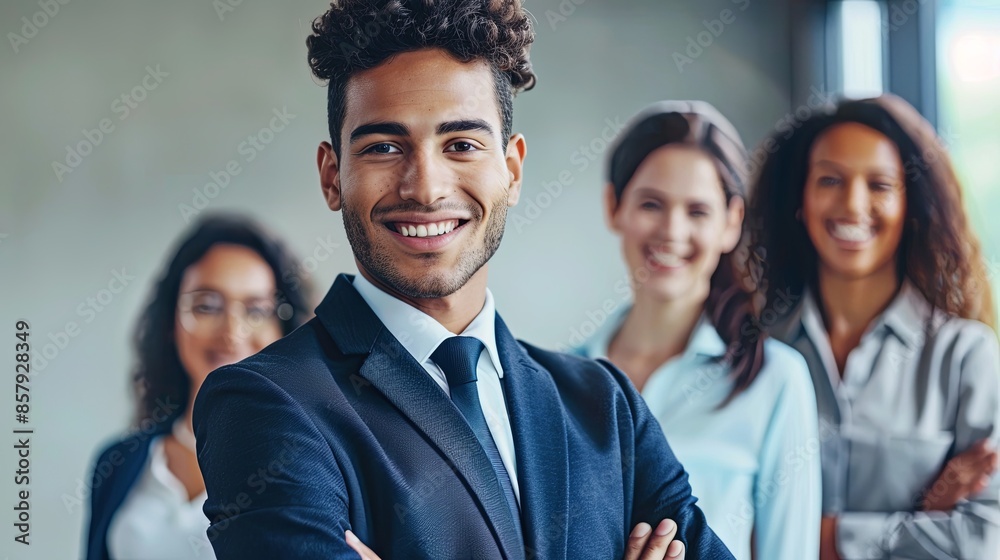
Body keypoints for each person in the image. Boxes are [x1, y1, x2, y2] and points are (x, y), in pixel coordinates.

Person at [192, 1, 734, 559]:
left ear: (513, 169)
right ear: (333, 176)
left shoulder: (606, 407)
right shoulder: (264, 404)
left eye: (462, 145)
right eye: (384, 147)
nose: (425, 187)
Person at [748, 93, 1000, 559]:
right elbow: (727, 515)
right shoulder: (755, 348)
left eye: (880, 184)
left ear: (913, 205)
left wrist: (826, 539)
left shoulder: (966, 356)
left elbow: (986, 541)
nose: (852, 203)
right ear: (800, 200)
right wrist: (924, 514)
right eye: (830, 179)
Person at [575, 100, 821, 559]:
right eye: (652, 204)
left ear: (731, 222)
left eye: (697, 211)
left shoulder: (776, 381)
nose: (672, 230)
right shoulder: (557, 380)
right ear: (614, 207)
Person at [84, 214, 314, 560]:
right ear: (170, 321)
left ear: (284, 329)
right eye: (207, 306)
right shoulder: (117, 462)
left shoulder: (316, 463)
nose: (232, 331)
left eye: (256, 310)